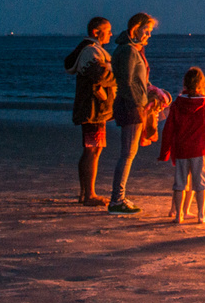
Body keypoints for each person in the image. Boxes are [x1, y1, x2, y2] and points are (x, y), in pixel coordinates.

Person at [160, 67, 205, 224]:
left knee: (180, 183)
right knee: (201, 183)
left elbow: (168, 130)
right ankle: (201, 215)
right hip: (199, 149)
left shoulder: (176, 105)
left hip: (181, 150)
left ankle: (178, 215)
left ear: (185, 84)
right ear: (201, 84)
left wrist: (165, 152)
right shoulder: (204, 104)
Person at [108, 12, 158, 214]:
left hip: (133, 104)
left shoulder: (131, 49)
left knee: (129, 153)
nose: (149, 35)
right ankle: (116, 200)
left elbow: (137, 82)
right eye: (147, 30)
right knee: (128, 154)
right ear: (135, 28)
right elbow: (127, 82)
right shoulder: (128, 51)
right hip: (131, 107)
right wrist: (140, 103)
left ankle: (119, 197)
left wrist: (151, 93)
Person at [65, 17, 115, 206]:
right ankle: (89, 194)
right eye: (107, 30)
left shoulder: (90, 50)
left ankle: (86, 193)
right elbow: (100, 76)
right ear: (96, 32)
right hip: (93, 110)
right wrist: (120, 75)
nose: (111, 33)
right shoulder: (91, 51)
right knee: (92, 150)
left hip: (94, 109)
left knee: (93, 149)